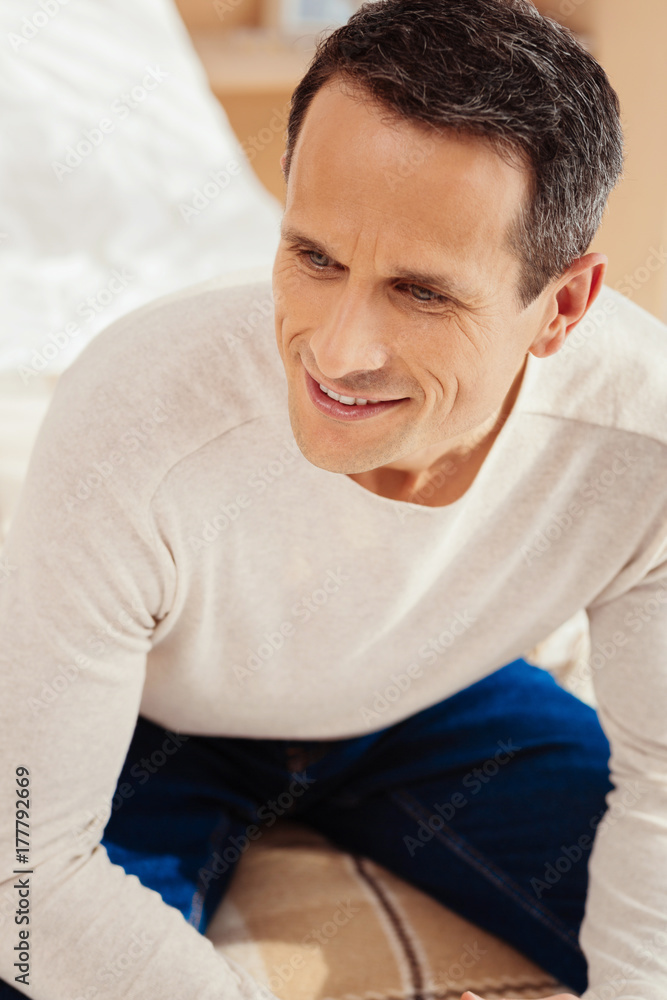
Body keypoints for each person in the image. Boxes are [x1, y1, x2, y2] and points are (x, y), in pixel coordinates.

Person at [1, 2, 666, 999]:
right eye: (314, 256)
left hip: (437, 698)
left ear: (561, 307)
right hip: (150, 722)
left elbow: (659, 795)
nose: (337, 352)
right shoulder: (130, 414)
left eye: (422, 292)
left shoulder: (642, 442)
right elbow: (25, 877)